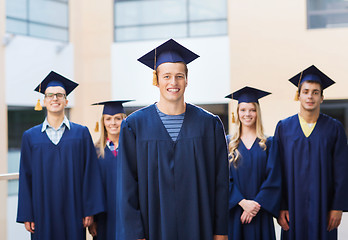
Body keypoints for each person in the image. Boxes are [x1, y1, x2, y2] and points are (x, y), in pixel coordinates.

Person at [117, 39, 229, 240]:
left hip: (199, 225)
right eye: (166, 76)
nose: (173, 83)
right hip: (152, 228)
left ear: (187, 80)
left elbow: (220, 182)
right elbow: (127, 185)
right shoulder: (135, 126)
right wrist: (135, 233)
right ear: (156, 80)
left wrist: (220, 231)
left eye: (179, 76)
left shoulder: (209, 124)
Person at [16, 71, 105, 240]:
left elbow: (90, 173)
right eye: (50, 95)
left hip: (75, 209)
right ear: (44, 101)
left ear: (66, 101)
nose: (55, 98)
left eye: (59, 95)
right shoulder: (30, 137)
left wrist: (89, 209)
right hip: (42, 210)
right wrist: (27, 213)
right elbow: (26, 177)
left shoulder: (81, 133)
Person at [275, 65, 348, 240]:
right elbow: (277, 170)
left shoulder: (334, 128)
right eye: (306, 91)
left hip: (324, 206)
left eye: (315, 92)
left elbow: (342, 170)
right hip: (292, 207)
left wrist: (337, 206)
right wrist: (280, 206)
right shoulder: (284, 128)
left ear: (322, 97)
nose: (310, 96)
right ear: (298, 95)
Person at [226, 86, 281, 240]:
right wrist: (242, 202)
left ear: (258, 113)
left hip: (260, 212)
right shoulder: (228, 143)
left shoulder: (269, 143)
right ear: (237, 113)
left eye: (252, 110)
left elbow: (274, 178)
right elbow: (222, 178)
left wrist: (255, 205)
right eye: (243, 110)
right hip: (236, 212)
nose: (247, 114)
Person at [88, 100, 131, 240]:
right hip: (104, 216)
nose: (113, 123)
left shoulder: (133, 149)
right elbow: (91, 187)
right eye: (108, 119)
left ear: (124, 120)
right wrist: (93, 219)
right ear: (103, 122)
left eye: (118, 118)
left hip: (129, 213)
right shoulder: (95, 152)